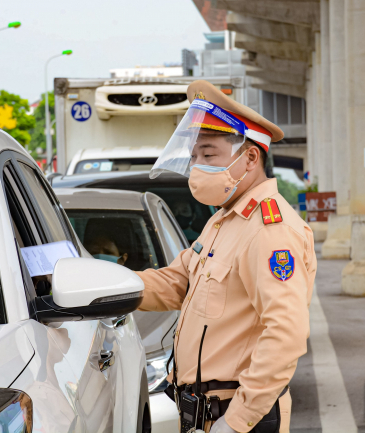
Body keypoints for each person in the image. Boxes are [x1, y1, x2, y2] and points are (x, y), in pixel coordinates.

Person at [136, 80, 317, 433]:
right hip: (202, 414)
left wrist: (236, 422)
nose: (197, 168)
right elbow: (178, 283)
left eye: (208, 155)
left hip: (236, 416)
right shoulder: (224, 219)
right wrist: (113, 287)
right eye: (194, 157)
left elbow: (286, 333)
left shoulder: (268, 229)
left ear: (250, 157)